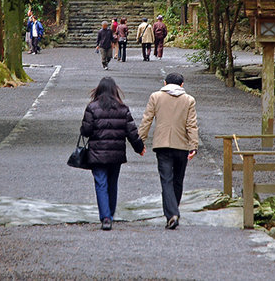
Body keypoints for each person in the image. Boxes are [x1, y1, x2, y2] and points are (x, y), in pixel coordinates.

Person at [81, 77, 145, 230]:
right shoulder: (123, 108)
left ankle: (105, 217)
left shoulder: (92, 107)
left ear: (99, 89)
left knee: (100, 183)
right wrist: (139, 147)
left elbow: (86, 131)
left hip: (97, 153)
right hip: (116, 154)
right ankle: (111, 212)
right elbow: (131, 132)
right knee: (112, 183)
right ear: (115, 90)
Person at [138, 72, 198, 230]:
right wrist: (194, 145)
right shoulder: (189, 100)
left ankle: (172, 214)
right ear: (182, 85)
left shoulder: (156, 97)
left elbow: (147, 119)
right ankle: (174, 211)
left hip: (162, 144)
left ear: (165, 83)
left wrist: (140, 141)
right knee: (178, 180)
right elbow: (191, 125)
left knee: (166, 180)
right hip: (182, 145)